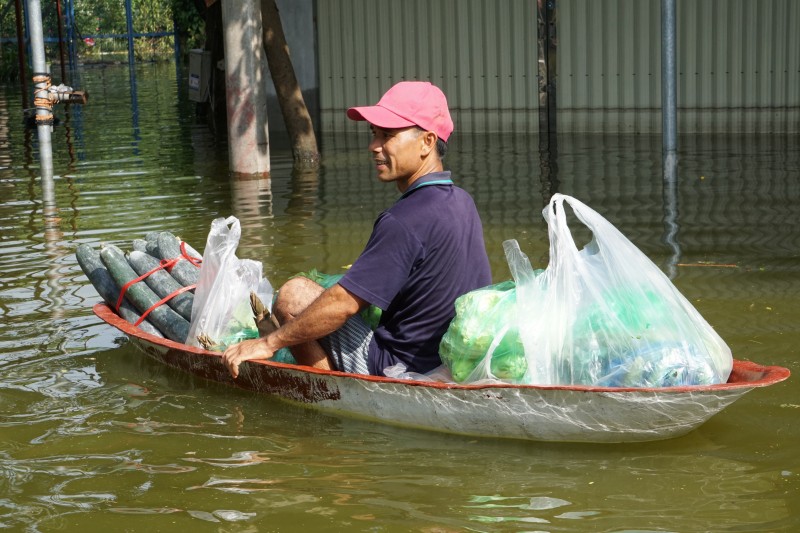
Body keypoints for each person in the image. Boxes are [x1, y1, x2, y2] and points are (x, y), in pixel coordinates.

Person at [222, 81, 491, 378]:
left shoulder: (404, 220)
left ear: (427, 142)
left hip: (398, 366)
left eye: (387, 135)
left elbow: (343, 304)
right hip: (445, 359)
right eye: (374, 134)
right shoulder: (463, 201)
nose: (374, 147)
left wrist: (268, 343)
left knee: (293, 295)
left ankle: (329, 397)